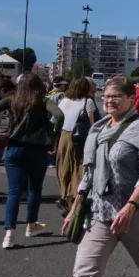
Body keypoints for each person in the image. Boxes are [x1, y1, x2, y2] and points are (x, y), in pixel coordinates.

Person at [66, 75, 139, 277]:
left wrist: (131, 205)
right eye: (106, 96)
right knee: (83, 274)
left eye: (116, 96)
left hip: (138, 210)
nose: (109, 101)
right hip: (100, 210)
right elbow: (89, 172)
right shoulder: (98, 129)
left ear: (130, 98)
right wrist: (76, 203)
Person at [0, 73, 63, 248]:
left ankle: (9, 234)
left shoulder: (12, 100)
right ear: (38, 86)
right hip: (38, 150)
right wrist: (54, 135)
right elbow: (59, 115)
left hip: (14, 148)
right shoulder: (43, 101)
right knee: (34, 188)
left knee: (14, 192)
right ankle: (31, 224)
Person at [57, 77, 99, 213]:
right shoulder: (88, 102)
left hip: (64, 136)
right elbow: (92, 124)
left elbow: (57, 120)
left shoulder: (63, 101)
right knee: (79, 167)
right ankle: (76, 197)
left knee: (64, 166)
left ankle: (64, 194)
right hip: (81, 137)